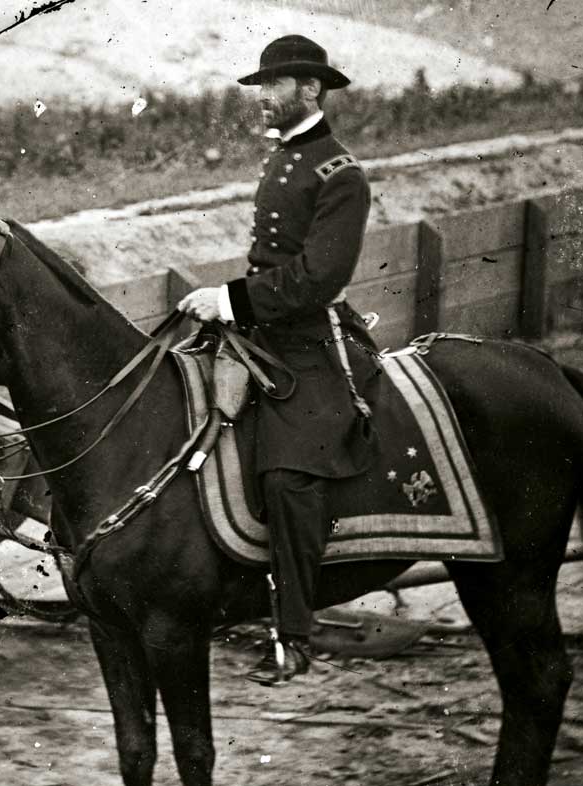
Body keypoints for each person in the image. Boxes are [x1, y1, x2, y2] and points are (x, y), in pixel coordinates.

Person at [177, 34, 380, 685]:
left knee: (289, 480)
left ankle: (294, 635)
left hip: (310, 343)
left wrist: (230, 300)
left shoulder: (340, 174)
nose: (262, 98)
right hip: (264, 332)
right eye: (261, 87)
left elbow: (317, 279)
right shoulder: (285, 159)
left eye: (273, 86)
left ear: (311, 89)